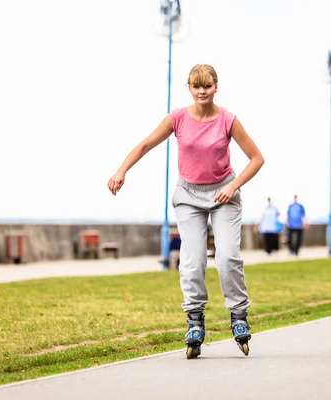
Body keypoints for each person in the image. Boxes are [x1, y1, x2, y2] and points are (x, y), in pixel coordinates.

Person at [107, 64, 264, 359]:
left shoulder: (228, 120)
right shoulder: (178, 118)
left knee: (228, 256)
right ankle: (194, 320)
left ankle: (238, 315)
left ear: (216, 86)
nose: (202, 91)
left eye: (207, 86)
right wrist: (121, 171)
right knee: (192, 261)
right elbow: (145, 145)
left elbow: (256, 158)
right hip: (189, 196)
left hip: (223, 193)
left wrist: (233, 186)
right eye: (196, 86)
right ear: (189, 89)